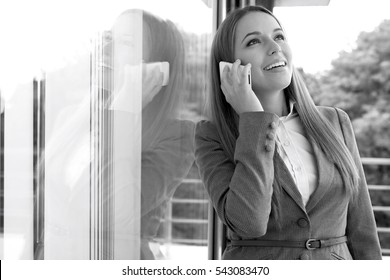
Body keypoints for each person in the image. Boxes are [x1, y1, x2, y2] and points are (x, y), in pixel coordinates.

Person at [195, 6, 382, 260]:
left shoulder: (335, 121)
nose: (275, 47)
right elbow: (249, 224)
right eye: (253, 41)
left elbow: (363, 229)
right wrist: (253, 119)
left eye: (279, 36)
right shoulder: (211, 135)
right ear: (228, 67)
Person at [110, 9, 195, 259]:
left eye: (125, 43)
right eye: (110, 40)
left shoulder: (176, 135)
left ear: (157, 67)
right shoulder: (84, 119)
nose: (110, 51)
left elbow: (120, 214)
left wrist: (125, 110)